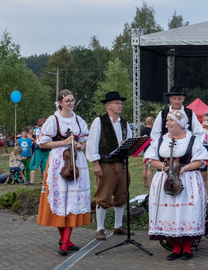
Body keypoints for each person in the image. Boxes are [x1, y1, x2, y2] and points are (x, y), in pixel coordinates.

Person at [144, 110, 208, 261]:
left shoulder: (192, 140)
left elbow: (201, 160)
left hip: (187, 179)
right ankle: (175, 247)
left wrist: (184, 168)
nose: (167, 123)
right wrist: (163, 167)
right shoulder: (161, 140)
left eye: (171, 120)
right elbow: (150, 158)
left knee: (187, 212)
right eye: (167, 120)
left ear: (180, 123)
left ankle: (187, 248)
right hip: (166, 180)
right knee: (169, 213)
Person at [36, 90, 91, 256]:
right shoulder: (53, 120)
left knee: (73, 200)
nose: (71, 103)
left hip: (76, 161)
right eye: (67, 101)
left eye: (72, 100)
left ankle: (65, 242)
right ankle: (65, 241)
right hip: (59, 162)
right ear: (60, 103)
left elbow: (85, 140)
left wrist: (81, 145)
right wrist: (64, 142)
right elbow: (42, 144)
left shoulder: (78, 120)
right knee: (60, 200)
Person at [86, 91, 133, 240]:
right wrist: (96, 164)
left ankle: (118, 225)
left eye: (121, 103)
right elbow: (92, 143)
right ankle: (100, 228)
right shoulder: (99, 121)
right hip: (106, 163)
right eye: (117, 103)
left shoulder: (124, 123)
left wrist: (127, 145)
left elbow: (130, 142)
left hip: (122, 164)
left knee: (122, 194)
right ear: (108, 106)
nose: (120, 106)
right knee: (103, 195)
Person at [29, 117, 49, 185]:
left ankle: (31, 181)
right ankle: (44, 181)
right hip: (48, 148)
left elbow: (37, 140)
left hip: (39, 149)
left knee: (34, 164)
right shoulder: (48, 129)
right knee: (45, 166)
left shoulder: (38, 129)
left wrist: (32, 138)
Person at [141, 116, 155, 188]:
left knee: (145, 168)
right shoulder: (152, 131)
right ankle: (150, 184)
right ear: (152, 122)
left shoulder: (143, 131)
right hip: (150, 151)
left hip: (145, 150)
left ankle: (145, 183)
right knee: (150, 168)